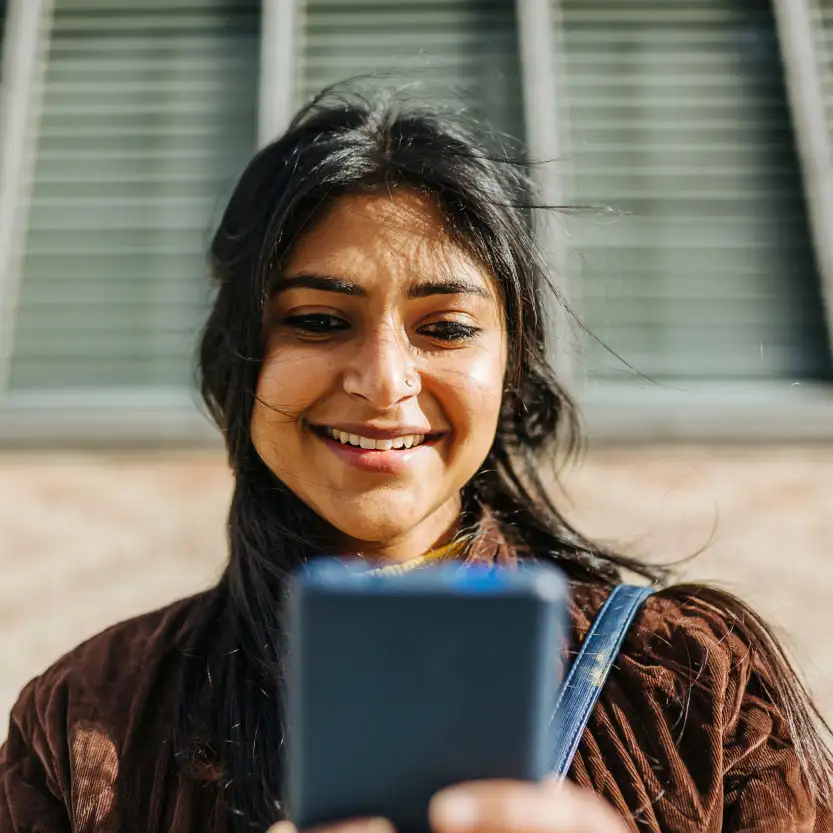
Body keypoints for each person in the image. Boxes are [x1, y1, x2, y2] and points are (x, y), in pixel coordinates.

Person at [1, 88, 831, 833]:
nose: (384, 382)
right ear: (239, 356)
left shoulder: (691, 678)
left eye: (445, 327)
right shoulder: (83, 716)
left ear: (512, 366)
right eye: (319, 321)